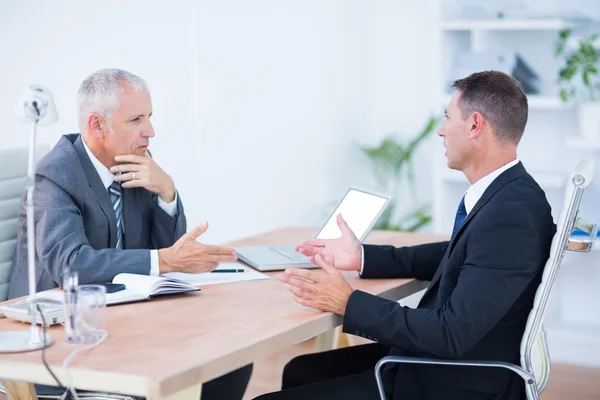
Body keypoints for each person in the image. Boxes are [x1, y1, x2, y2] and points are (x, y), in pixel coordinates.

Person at [256, 70, 556, 400]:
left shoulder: (509, 214)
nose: (441, 131)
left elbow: (449, 333)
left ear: (474, 125)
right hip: (449, 365)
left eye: (447, 118)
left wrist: (348, 301)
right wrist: (362, 258)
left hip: (453, 381)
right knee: (300, 371)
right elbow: (458, 255)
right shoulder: (510, 195)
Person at [8, 68, 252, 400]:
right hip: (60, 344)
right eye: (136, 119)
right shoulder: (54, 177)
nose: (150, 131)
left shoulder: (135, 163)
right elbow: (72, 265)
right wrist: (165, 260)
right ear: (97, 125)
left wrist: (167, 192)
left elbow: (166, 253)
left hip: (126, 320)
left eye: (149, 116)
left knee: (230, 363)